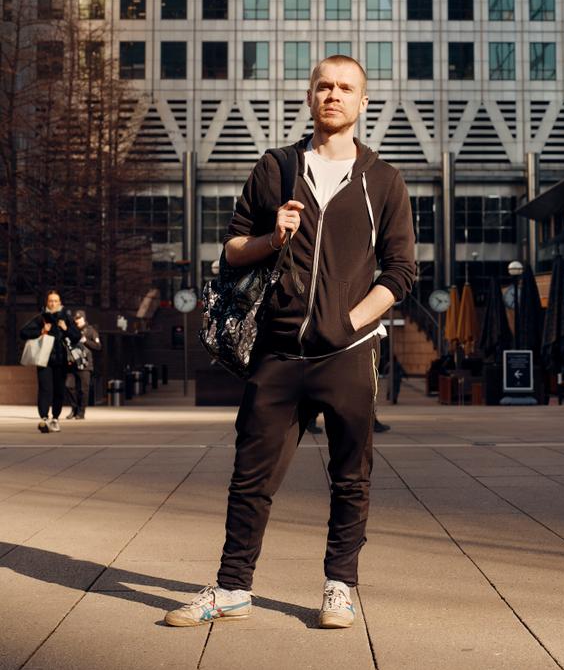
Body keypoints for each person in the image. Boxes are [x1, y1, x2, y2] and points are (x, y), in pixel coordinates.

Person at [165, 55, 415, 629]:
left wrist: (350, 323)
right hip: (276, 352)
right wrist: (270, 237)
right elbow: (229, 251)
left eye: (346, 87)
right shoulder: (276, 168)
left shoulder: (383, 180)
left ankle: (340, 586)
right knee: (250, 476)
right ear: (309, 97)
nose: (334, 95)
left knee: (351, 475)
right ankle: (232, 589)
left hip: (348, 355)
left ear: (363, 102)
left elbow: (400, 272)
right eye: (324, 85)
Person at [20, 290, 81, 433]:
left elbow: (77, 337)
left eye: (55, 301)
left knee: (58, 390)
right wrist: (41, 331)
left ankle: (55, 419)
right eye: (50, 301)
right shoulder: (41, 318)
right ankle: (44, 418)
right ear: (47, 303)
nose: (53, 303)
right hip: (44, 360)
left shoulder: (66, 318)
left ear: (60, 303)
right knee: (44, 389)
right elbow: (23, 333)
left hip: (61, 361)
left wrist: (66, 329)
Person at [65, 310, 102, 420]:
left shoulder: (91, 331)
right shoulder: (72, 330)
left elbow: (98, 346)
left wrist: (86, 341)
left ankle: (81, 412)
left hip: (85, 364)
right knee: (69, 385)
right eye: (76, 318)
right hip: (72, 363)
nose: (77, 320)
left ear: (84, 319)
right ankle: (74, 408)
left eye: (79, 318)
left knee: (83, 390)